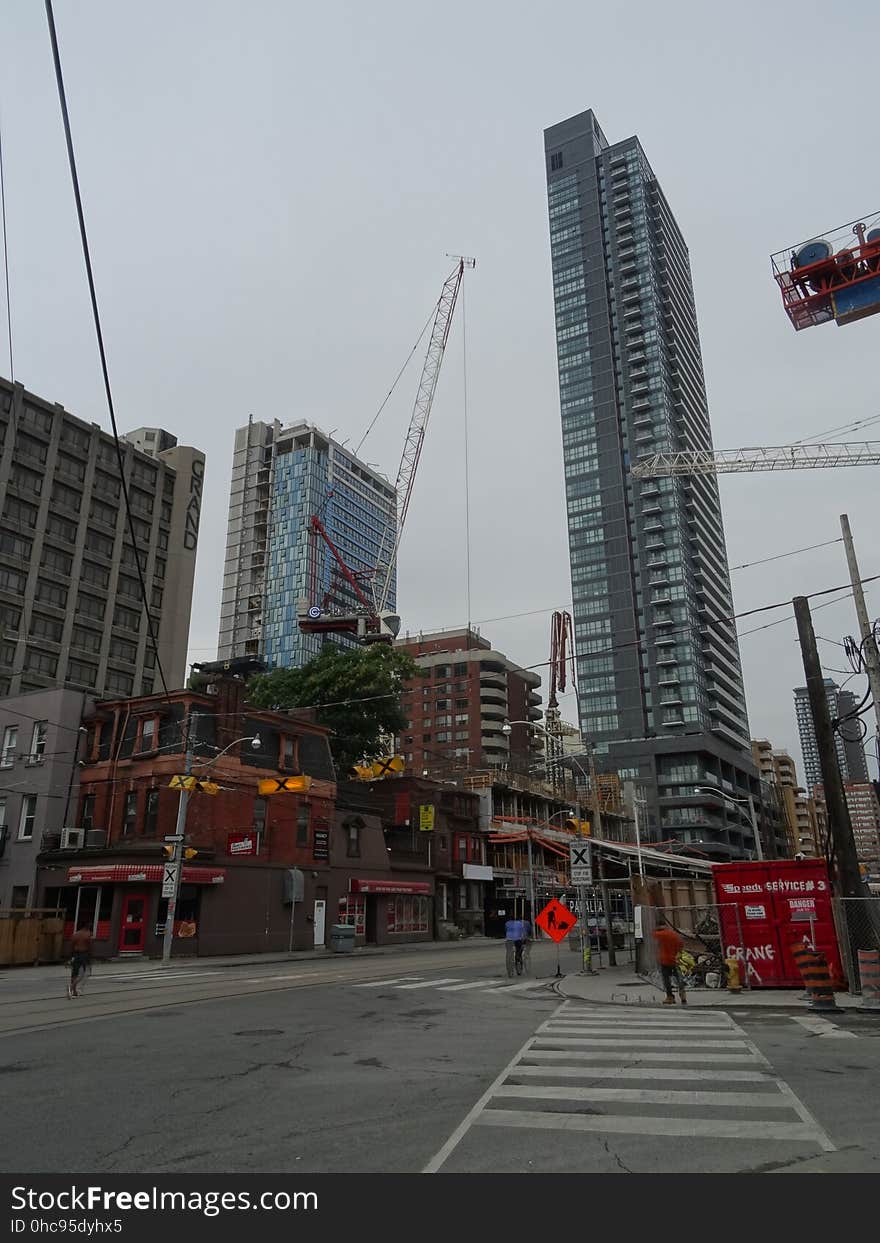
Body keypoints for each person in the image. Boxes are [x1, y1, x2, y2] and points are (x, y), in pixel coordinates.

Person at [653, 919, 687, 1005]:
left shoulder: (659, 934)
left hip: (664, 960)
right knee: (679, 978)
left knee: (666, 979)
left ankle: (670, 997)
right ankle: (683, 996)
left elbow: (654, 938)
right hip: (675, 959)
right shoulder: (674, 934)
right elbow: (681, 945)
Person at [68, 924, 93, 999]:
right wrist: (91, 955)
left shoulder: (75, 934)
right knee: (86, 973)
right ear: (87, 928)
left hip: (75, 954)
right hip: (84, 954)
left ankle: (74, 992)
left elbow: (71, 945)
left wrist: (71, 956)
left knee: (74, 973)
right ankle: (71, 987)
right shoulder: (88, 934)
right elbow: (90, 946)